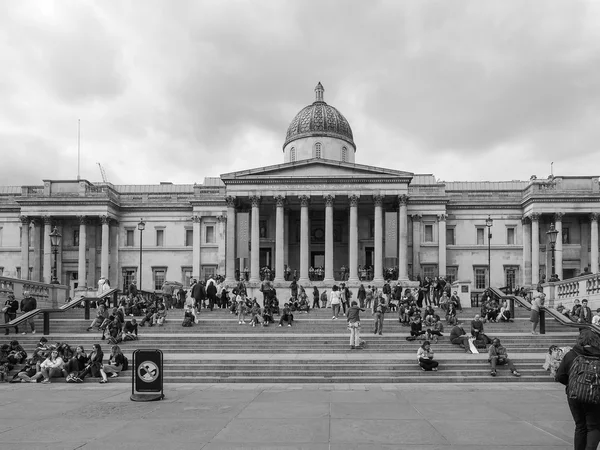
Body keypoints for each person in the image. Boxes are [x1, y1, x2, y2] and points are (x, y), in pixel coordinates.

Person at [555, 329, 600, 450]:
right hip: (595, 395)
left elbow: (559, 376)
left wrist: (574, 384)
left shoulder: (571, 354)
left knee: (580, 426)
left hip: (574, 395)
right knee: (594, 426)